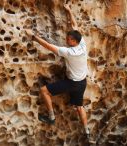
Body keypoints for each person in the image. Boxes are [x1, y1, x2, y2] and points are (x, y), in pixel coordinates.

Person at [26, 4, 90, 137]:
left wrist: (33, 37)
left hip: (71, 83)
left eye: (68, 39)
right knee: (79, 107)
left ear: (73, 41)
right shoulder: (83, 44)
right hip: (82, 83)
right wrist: (68, 10)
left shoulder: (69, 52)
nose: (66, 41)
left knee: (44, 91)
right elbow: (74, 25)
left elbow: (49, 46)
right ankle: (87, 132)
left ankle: (51, 117)